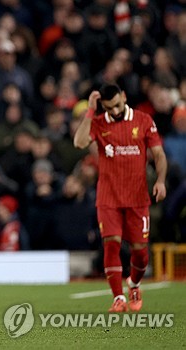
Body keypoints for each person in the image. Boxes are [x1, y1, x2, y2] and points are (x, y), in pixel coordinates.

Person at [74, 83, 167, 312]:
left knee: (141, 253)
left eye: (117, 105)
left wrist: (161, 181)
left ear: (124, 97)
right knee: (111, 244)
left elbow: (159, 154)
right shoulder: (98, 123)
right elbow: (79, 142)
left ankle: (133, 283)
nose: (114, 111)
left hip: (137, 198)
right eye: (109, 108)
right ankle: (118, 298)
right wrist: (90, 111)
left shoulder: (144, 120)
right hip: (109, 197)